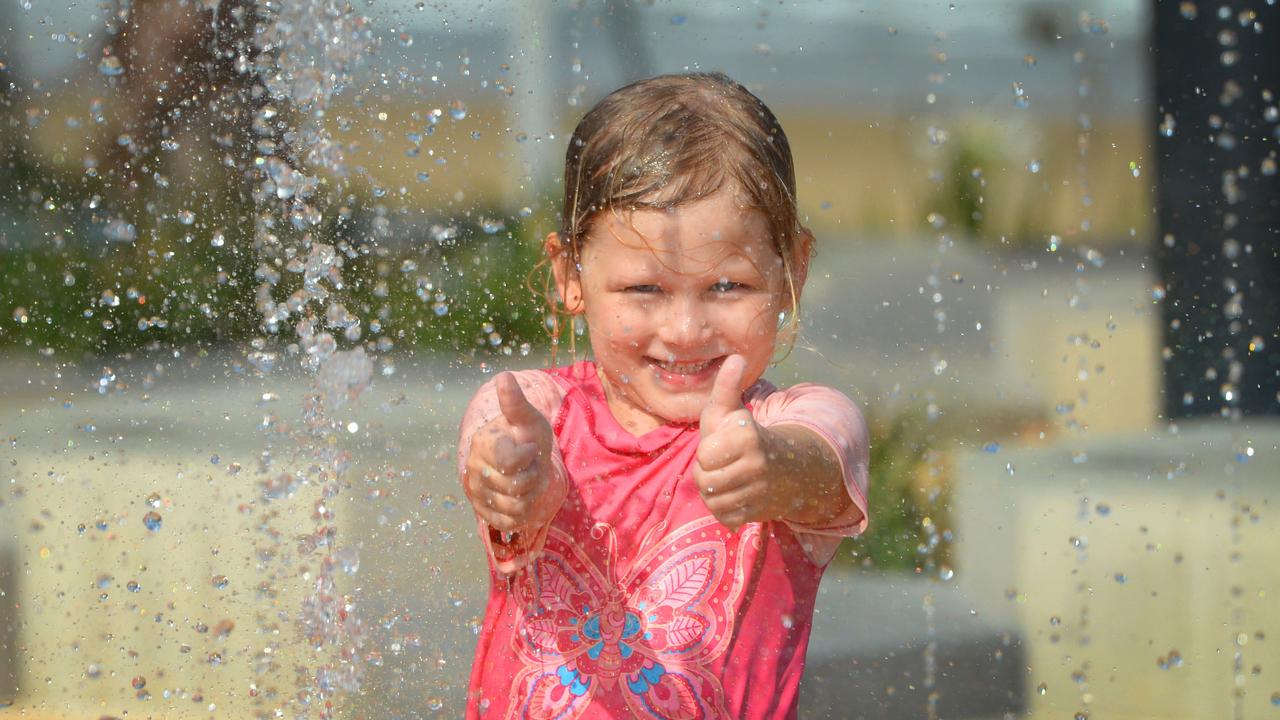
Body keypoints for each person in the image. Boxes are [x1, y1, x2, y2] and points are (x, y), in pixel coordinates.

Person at [456, 72, 869, 719]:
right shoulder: (541, 414)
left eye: (727, 287)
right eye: (644, 291)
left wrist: (771, 465)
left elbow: (825, 455)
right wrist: (513, 476)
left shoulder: (788, 423)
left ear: (793, 272)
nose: (684, 330)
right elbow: (493, 442)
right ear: (571, 276)